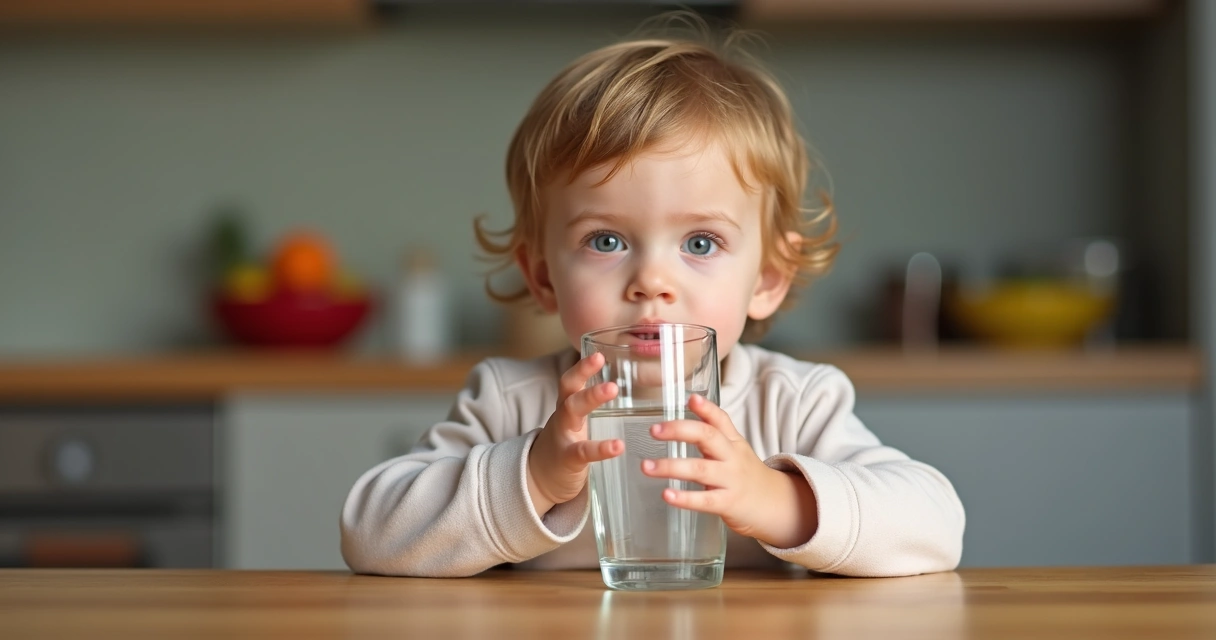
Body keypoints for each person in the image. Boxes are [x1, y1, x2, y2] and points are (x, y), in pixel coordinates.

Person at [340, 17, 965, 578]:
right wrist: (533, 474)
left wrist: (776, 498)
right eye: (606, 240)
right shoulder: (509, 401)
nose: (651, 281)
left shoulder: (795, 405)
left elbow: (937, 523)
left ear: (768, 278)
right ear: (544, 278)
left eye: (700, 242)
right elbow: (371, 532)